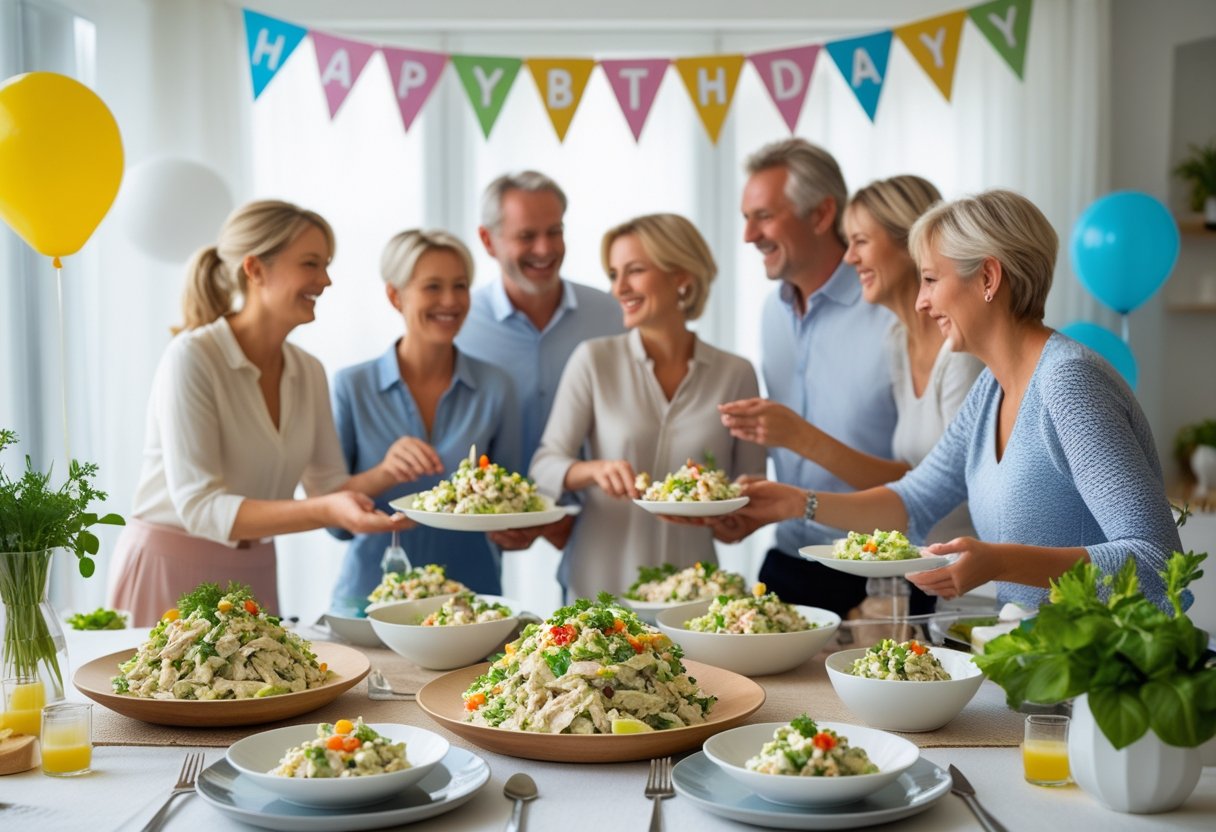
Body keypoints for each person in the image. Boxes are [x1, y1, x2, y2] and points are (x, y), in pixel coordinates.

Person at [708, 190, 1182, 611]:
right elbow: (912, 500)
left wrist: (1000, 561)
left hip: (1106, 678)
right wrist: (796, 503)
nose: (921, 302)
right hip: (1037, 662)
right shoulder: (990, 389)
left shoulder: (1069, 383)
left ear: (988, 278)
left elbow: (1157, 558)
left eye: (931, 280)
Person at [108, 200, 410, 625]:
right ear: (254, 269)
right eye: (311, 263)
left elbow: (328, 489)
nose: (325, 280)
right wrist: (327, 510)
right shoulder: (192, 358)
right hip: (170, 571)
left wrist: (389, 471)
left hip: (254, 574)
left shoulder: (308, 371)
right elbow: (200, 506)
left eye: (325, 264)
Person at [719, 175, 984, 613]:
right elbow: (914, 482)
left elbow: (934, 493)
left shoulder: (961, 356)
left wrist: (800, 454)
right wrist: (788, 500)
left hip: (946, 584)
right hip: (892, 568)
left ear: (912, 244)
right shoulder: (899, 342)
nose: (849, 256)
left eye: (860, 240)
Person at [529, 214, 767, 600]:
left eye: (634, 271)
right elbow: (544, 465)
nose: (618, 288)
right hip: (599, 586)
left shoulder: (735, 374)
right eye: (613, 274)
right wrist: (595, 470)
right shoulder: (594, 360)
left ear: (682, 277)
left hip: (694, 594)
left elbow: (749, 494)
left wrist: (731, 519)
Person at [730, 139, 899, 617]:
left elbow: (925, 481)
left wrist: (801, 437)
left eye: (762, 216)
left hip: (878, 577)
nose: (748, 235)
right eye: (746, 217)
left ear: (823, 214)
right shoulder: (772, 312)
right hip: (788, 562)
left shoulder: (891, 314)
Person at [327, 230, 519, 613]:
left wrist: (519, 529)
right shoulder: (353, 385)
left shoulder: (496, 387)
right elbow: (334, 520)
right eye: (433, 287)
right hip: (370, 602)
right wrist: (385, 472)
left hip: (473, 603)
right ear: (395, 295)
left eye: (460, 286)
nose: (449, 301)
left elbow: (517, 498)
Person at [456, 171, 624, 553]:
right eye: (527, 236)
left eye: (555, 231)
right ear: (488, 240)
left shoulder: (611, 315)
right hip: (484, 525)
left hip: (596, 522)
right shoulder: (460, 324)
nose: (545, 249)